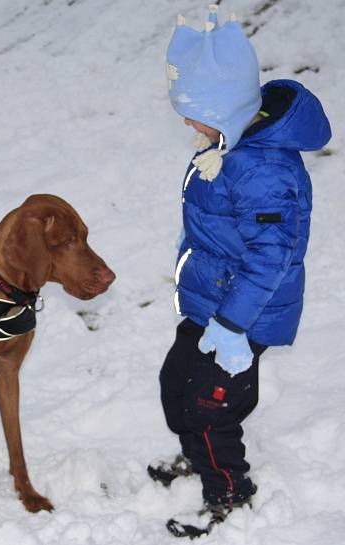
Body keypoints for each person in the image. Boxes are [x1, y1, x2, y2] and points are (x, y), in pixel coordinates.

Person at [147, 4, 332, 537]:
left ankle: (229, 492)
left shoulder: (264, 171)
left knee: (210, 408)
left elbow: (271, 255)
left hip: (241, 317)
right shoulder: (231, 146)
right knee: (174, 383)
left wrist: (232, 328)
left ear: (226, 109)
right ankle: (199, 458)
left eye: (194, 113)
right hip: (211, 303)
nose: (187, 124)